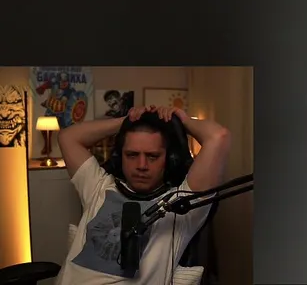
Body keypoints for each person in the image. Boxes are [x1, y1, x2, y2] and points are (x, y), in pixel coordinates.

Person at [56, 104, 232, 285]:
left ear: (169, 159)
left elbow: (218, 136)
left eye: (152, 156)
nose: (141, 165)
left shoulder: (181, 205)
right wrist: (126, 121)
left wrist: (181, 121)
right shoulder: (97, 186)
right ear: (120, 157)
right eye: (132, 155)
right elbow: (68, 137)